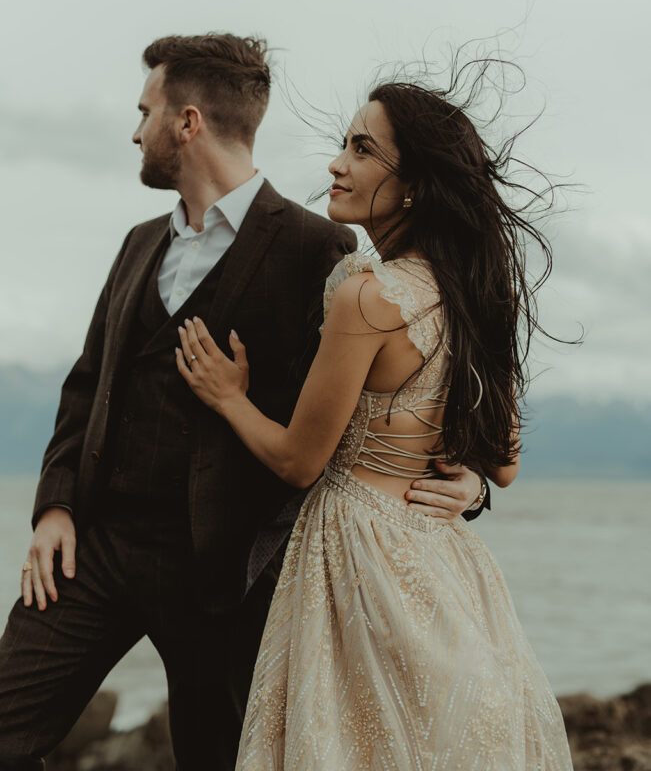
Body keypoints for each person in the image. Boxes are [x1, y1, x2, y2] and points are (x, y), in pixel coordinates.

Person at [0, 35, 487, 771]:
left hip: (227, 572)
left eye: (145, 110)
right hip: (96, 552)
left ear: (187, 123)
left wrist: (463, 480)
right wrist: (54, 508)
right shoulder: (137, 243)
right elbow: (86, 385)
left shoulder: (320, 251)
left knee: (220, 759)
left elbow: (384, 392)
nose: (134, 129)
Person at [175, 76, 574, 769]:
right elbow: (502, 463)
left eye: (361, 149)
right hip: (441, 557)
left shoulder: (368, 297)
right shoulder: (479, 291)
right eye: (343, 144)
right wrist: (472, 484)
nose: (336, 163)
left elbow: (300, 460)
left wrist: (228, 395)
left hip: (357, 553)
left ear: (414, 183)